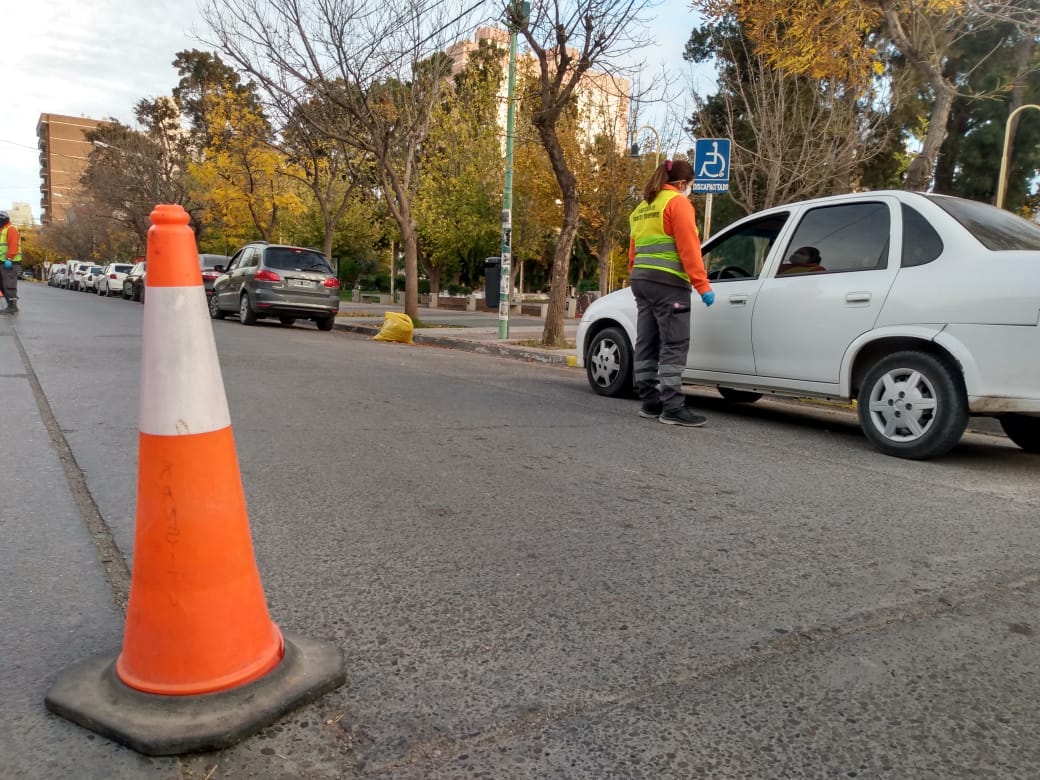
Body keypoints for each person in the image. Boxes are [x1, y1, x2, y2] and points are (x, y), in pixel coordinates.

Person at [628, 159, 714, 427]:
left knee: (647, 340)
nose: (690, 189)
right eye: (690, 185)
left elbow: (633, 253)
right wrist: (702, 285)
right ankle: (673, 407)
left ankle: (649, 401)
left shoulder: (642, 208)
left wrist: (637, 276)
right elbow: (689, 248)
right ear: (681, 183)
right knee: (674, 343)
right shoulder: (678, 204)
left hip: (641, 280)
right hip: (668, 284)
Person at [0, 210, 22, 315]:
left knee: (9, 284)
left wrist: (9, 258)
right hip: (3, 262)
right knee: (2, 284)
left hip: (11, 262)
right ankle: (10, 305)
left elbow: (13, 245)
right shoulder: (3, 230)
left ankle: (12, 306)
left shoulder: (11, 229)